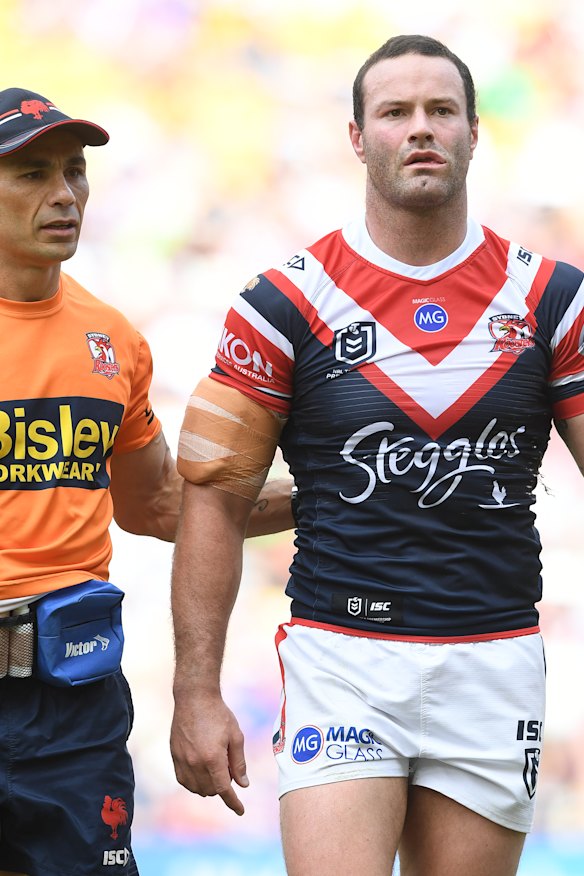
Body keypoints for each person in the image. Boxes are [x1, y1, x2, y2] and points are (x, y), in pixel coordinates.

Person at [169, 34, 584, 876]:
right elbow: (211, 499)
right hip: (342, 658)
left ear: (475, 130)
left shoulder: (554, 299)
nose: (420, 129)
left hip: (492, 659)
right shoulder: (280, 302)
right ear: (358, 138)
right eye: (395, 112)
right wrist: (196, 692)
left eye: (441, 111)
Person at [0, 87, 294, 876]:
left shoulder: (112, 340)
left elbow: (159, 505)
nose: (64, 195)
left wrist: (330, 495)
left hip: (71, 700)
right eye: (31, 174)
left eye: (75, 172)